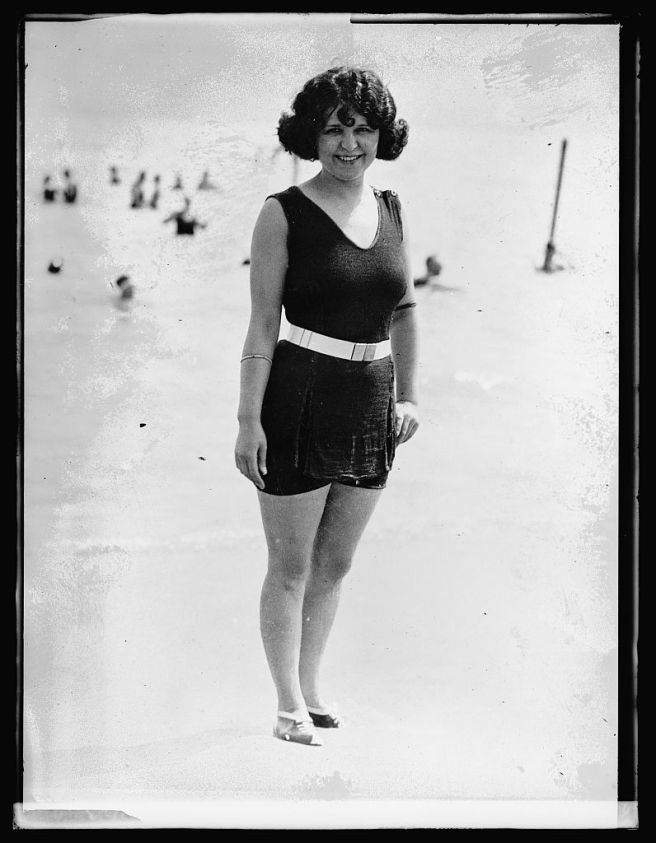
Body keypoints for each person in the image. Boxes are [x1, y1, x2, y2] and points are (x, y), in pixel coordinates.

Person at [234, 67, 419, 746]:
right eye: (335, 127)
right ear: (313, 133)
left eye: (362, 127)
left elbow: (402, 309)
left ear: (381, 135)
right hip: (300, 393)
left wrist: (409, 396)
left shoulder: (393, 206)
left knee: (335, 562)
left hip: (371, 400)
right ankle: (286, 704)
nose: (349, 142)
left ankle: (311, 688)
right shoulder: (281, 211)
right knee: (290, 563)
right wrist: (247, 418)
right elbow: (261, 324)